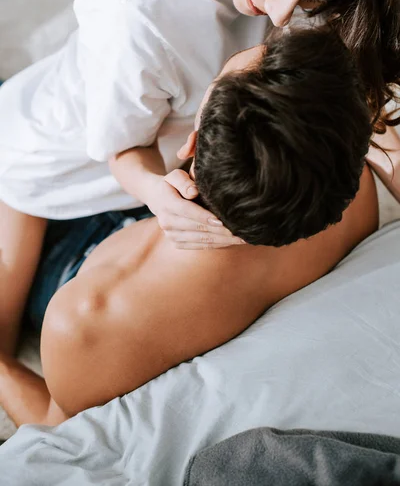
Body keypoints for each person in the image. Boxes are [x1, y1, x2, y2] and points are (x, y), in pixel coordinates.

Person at [0, 0, 399, 357]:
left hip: (165, 137)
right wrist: (155, 194)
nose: (280, 15)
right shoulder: (134, 11)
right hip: (58, 167)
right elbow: (122, 149)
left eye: (308, 2)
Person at [0, 31, 377, 427]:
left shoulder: (87, 320)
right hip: (151, 229)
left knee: (21, 127)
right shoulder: (353, 194)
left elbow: (52, 422)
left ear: (192, 142)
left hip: (70, 258)